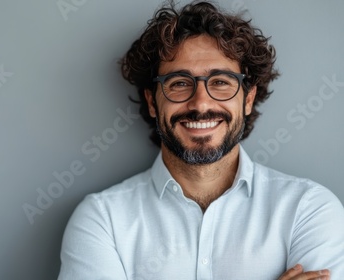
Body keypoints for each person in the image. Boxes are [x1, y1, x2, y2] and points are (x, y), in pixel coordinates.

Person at [58, 1, 344, 279]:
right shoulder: (102, 220)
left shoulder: (308, 209)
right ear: (152, 102)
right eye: (180, 83)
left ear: (248, 99)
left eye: (220, 82)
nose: (201, 103)